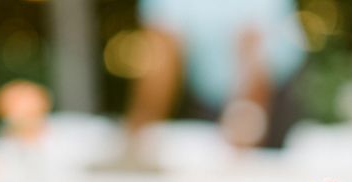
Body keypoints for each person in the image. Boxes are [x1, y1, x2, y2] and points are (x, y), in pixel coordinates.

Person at [127, 0, 306, 149]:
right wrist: (137, 135)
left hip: (272, 94)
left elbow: (254, 58)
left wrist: (245, 117)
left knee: (260, 171)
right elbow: (162, 59)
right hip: (208, 97)